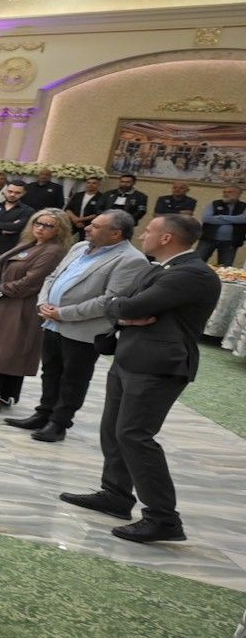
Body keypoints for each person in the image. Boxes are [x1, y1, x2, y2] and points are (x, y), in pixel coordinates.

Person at [59, 214, 222, 544]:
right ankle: (115, 494)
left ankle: (163, 518)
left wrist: (125, 311)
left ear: (166, 238)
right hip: (130, 357)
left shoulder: (192, 273)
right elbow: (117, 304)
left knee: (135, 435)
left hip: (158, 365)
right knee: (113, 430)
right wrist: (125, 313)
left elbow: (129, 307)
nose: (143, 235)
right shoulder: (159, 268)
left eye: (149, 231)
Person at [9, 209, 150, 443]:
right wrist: (43, 302)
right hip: (52, 321)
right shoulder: (79, 247)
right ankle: (43, 413)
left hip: (83, 329)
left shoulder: (131, 259)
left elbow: (109, 300)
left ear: (116, 234)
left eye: (96, 226)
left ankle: (59, 423)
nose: (88, 228)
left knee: (73, 378)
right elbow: (53, 277)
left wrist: (63, 313)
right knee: (51, 371)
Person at [0, 208, 71, 411]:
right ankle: (0, 394)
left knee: (6, 350)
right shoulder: (30, 243)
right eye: (37, 223)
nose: (40, 228)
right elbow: (1, 268)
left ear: (60, 230)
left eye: (48, 225)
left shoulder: (53, 251)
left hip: (22, 306)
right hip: (6, 301)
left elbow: (31, 282)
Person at [199, 186, 244, 266]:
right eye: (224, 192)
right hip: (208, 239)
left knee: (225, 267)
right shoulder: (214, 203)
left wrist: (220, 217)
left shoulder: (244, 206)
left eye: (230, 192)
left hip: (231, 242)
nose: (226, 194)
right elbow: (206, 218)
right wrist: (234, 220)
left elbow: (243, 219)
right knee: (197, 262)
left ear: (239, 194)